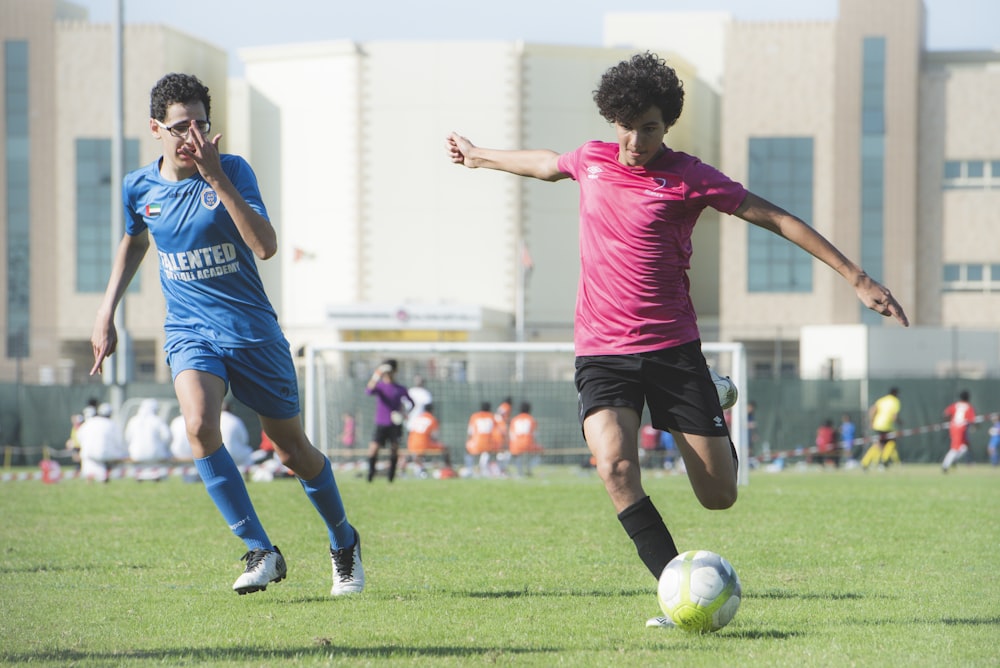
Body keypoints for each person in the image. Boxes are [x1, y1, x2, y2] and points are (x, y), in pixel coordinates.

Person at [446, 51, 909, 628]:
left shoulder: (690, 177)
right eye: (628, 127)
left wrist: (858, 278)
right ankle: (676, 592)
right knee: (614, 468)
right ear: (612, 119)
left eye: (650, 129)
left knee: (719, 496)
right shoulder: (590, 160)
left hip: (671, 350)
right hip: (601, 351)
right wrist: (480, 155)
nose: (637, 141)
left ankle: (710, 395)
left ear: (667, 126)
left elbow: (776, 217)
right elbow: (545, 163)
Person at [89, 73, 363, 596]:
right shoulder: (138, 187)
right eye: (180, 127)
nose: (192, 136)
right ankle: (262, 550)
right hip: (190, 330)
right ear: (156, 129)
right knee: (197, 425)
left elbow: (265, 247)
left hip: (252, 333)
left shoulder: (232, 170)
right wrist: (107, 311)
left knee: (292, 451)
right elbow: (135, 241)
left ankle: (343, 541)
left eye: (201, 124)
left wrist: (216, 180)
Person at [365, 359, 413, 483]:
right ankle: (370, 475)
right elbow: (369, 391)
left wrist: (404, 413)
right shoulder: (380, 386)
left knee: (394, 449)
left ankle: (391, 477)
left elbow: (411, 403)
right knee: (374, 448)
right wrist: (377, 374)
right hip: (381, 423)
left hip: (395, 424)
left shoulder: (400, 388)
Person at [76, 404, 127, 482]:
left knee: (89, 461)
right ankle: (107, 474)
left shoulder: (89, 422)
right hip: (107, 455)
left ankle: (91, 478)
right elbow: (118, 441)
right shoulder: (112, 424)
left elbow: (79, 437)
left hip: (88, 454)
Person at [125, 398, 172, 481]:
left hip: (136, 454)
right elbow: (167, 436)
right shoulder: (157, 420)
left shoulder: (133, 420)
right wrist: (162, 446)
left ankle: (140, 475)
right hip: (155, 455)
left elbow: (127, 438)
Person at [405, 403, 454, 477]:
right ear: (432, 410)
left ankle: (419, 468)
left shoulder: (418, 418)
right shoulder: (432, 419)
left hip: (411, 443)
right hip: (424, 444)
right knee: (446, 448)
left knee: (417, 452)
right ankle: (448, 469)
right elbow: (435, 437)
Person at [862, 388, 902, 471]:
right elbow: (894, 417)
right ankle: (884, 461)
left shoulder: (882, 400)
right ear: (895, 394)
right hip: (887, 426)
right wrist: (900, 422)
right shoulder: (895, 401)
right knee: (891, 442)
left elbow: (873, 410)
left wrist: (871, 421)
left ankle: (865, 462)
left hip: (878, 425)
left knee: (879, 444)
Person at [941, 390, 976, 473]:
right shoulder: (968, 407)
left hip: (954, 427)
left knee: (965, 447)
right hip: (960, 428)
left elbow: (945, 414)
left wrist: (951, 420)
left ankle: (953, 460)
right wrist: (974, 426)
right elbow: (972, 420)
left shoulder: (955, 405)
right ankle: (945, 465)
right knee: (955, 448)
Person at [508, 401, 544, 477]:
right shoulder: (531, 419)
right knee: (540, 452)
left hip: (516, 445)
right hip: (528, 444)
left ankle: (519, 471)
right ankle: (529, 467)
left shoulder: (514, 420)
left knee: (517, 455)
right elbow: (535, 434)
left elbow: (511, 435)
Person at [465, 401, 500, 476]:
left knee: (469, 452)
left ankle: (470, 469)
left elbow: (470, 432)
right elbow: (497, 432)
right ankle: (485, 469)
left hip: (476, 444)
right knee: (487, 454)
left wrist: (468, 443)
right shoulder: (492, 417)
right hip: (488, 444)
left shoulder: (474, 416)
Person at [220, 400, 254, 467]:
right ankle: (247, 476)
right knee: (248, 452)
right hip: (236, 454)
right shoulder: (236, 420)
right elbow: (244, 440)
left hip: (219, 454)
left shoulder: (215, 421)